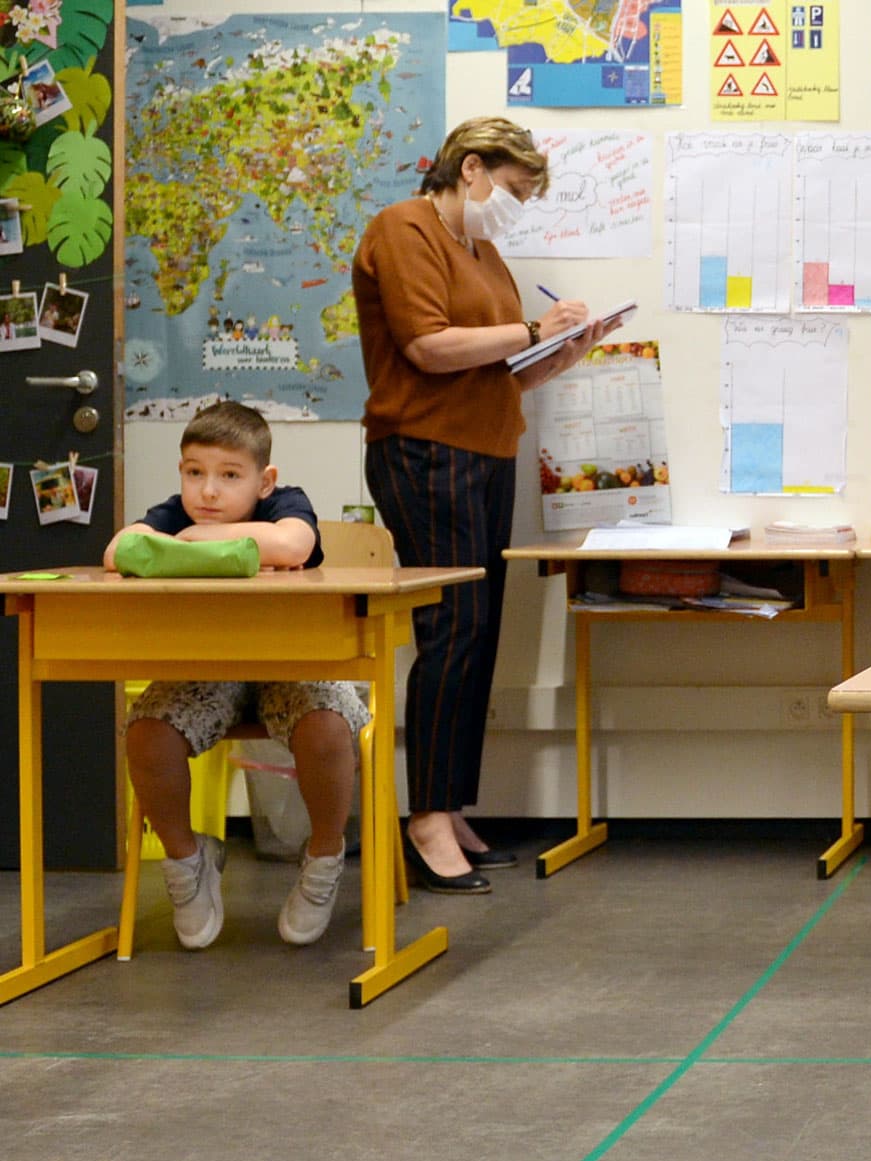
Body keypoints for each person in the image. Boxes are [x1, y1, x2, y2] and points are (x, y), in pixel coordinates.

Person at [352, 116, 615, 892]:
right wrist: (532, 325)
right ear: (471, 168)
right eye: (515, 189)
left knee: (479, 631)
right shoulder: (404, 230)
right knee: (451, 630)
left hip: (484, 447)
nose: (517, 206)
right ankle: (424, 817)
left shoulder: (483, 250)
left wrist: (559, 353)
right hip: (424, 450)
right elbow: (428, 349)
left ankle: (449, 803)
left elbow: (495, 372)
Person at [104, 402, 364, 950]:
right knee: (146, 732)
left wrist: (193, 543)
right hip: (211, 671)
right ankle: (187, 859)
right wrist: (178, 537)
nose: (209, 492)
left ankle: (322, 855)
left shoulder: (285, 504)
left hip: (295, 666)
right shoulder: (174, 512)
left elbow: (293, 547)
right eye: (195, 473)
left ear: (263, 480)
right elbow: (118, 551)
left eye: (228, 476)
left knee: (326, 727)